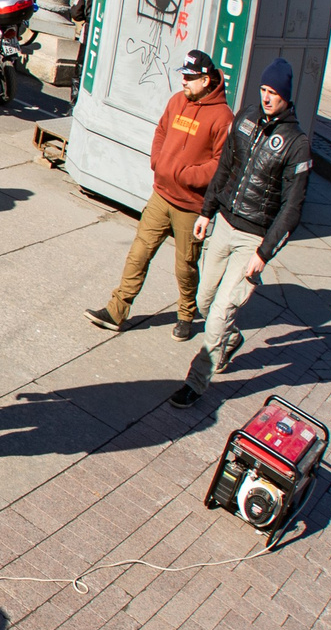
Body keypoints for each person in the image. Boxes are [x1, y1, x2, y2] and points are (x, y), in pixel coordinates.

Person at [173, 59, 312, 408]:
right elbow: (225, 168)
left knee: (218, 314)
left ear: (286, 96)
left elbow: (292, 208)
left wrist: (263, 254)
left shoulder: (297, 143)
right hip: (224, 224)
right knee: (204, 301)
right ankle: (229, 339)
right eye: (264, 90)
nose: (267, 98)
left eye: (274, 93)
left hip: (253, 239)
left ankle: (196, 380)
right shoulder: (247, 117)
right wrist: (207, 211)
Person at [89, 50, 233, 338]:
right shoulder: (177, 101)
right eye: (183, 75)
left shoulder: (223, 117)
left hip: (190, 205)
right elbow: (161, 131)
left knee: (185, 266)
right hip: (161, 195)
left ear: (205, 80)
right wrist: (158, 161)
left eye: (189, 78)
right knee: (138, 254)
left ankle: (186, 315)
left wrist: (185, 176)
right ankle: (116, 310)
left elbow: (221, 165)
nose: (183, 81)